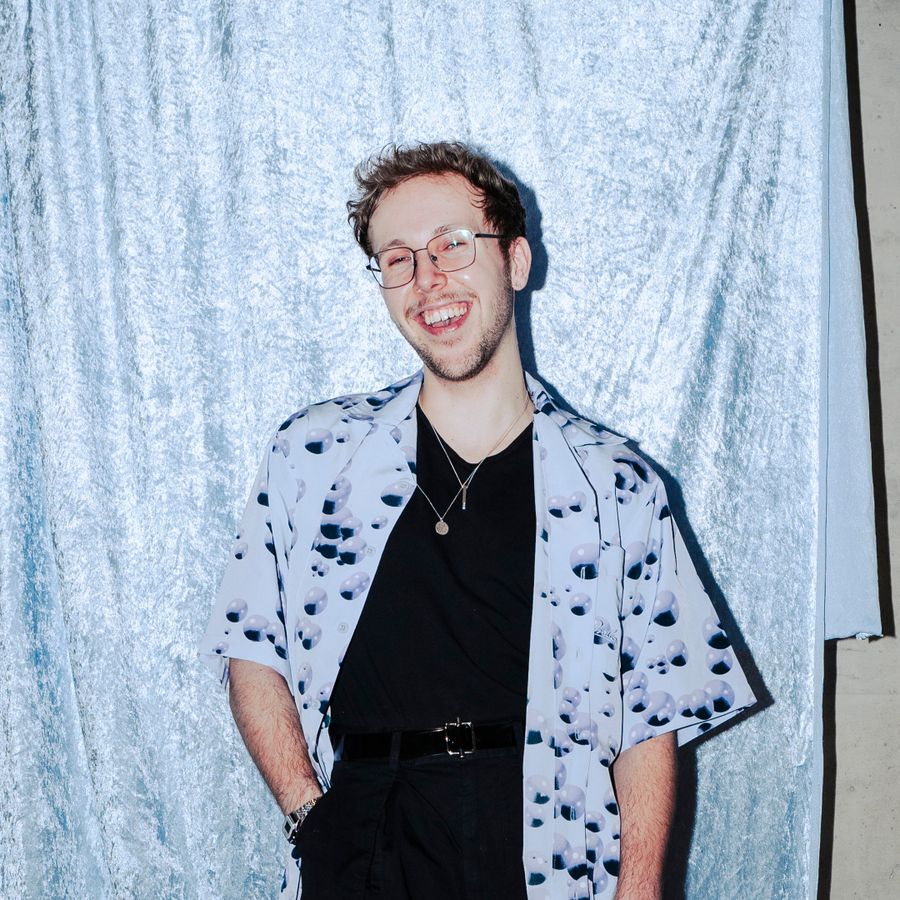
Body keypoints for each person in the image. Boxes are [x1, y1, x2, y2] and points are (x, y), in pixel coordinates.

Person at [199, 141, 756, 900]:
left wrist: (640, 890)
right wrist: (309, 814)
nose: (428, 279)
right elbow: (249, 643)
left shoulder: (614, 485)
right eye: (398, 258)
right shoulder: (314, 454)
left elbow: (650, 715)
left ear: (515, 261)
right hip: (362, 840)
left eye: (453, 245)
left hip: (544, 840)